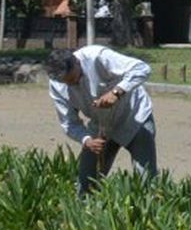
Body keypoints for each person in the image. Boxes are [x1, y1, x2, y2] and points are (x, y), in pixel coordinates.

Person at [45, 45, 158, 195]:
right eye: (67, 82)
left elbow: (141, 68)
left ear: (77, 62)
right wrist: (86, 140)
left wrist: (117, 92)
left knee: (146, 180)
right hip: (100, 125)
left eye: (73, 79)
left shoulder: (97, 57)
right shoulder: (57, 84)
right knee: (86, 182)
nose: (72, 84)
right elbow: (69, 122)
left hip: (134, 117)